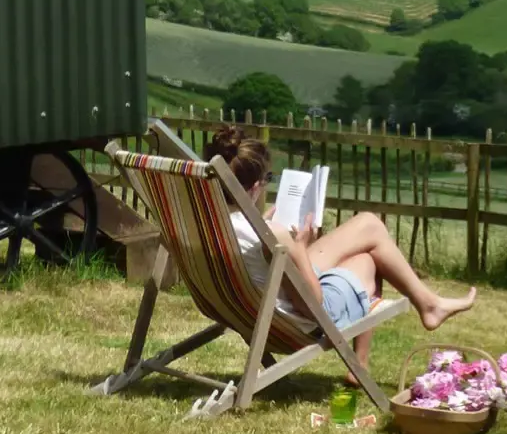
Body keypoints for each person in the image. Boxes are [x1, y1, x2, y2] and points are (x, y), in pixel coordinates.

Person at [203, 127, 475, 374]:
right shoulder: (272, 234)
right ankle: (368, 358)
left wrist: (272, 230)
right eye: (268, 178)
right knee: (369, 259)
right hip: (293, 318)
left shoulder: (208, 221)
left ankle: (428, 305)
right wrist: (299, 245)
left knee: (368, 224)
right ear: (254, 186)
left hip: (243, 302)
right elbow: (312, 304)